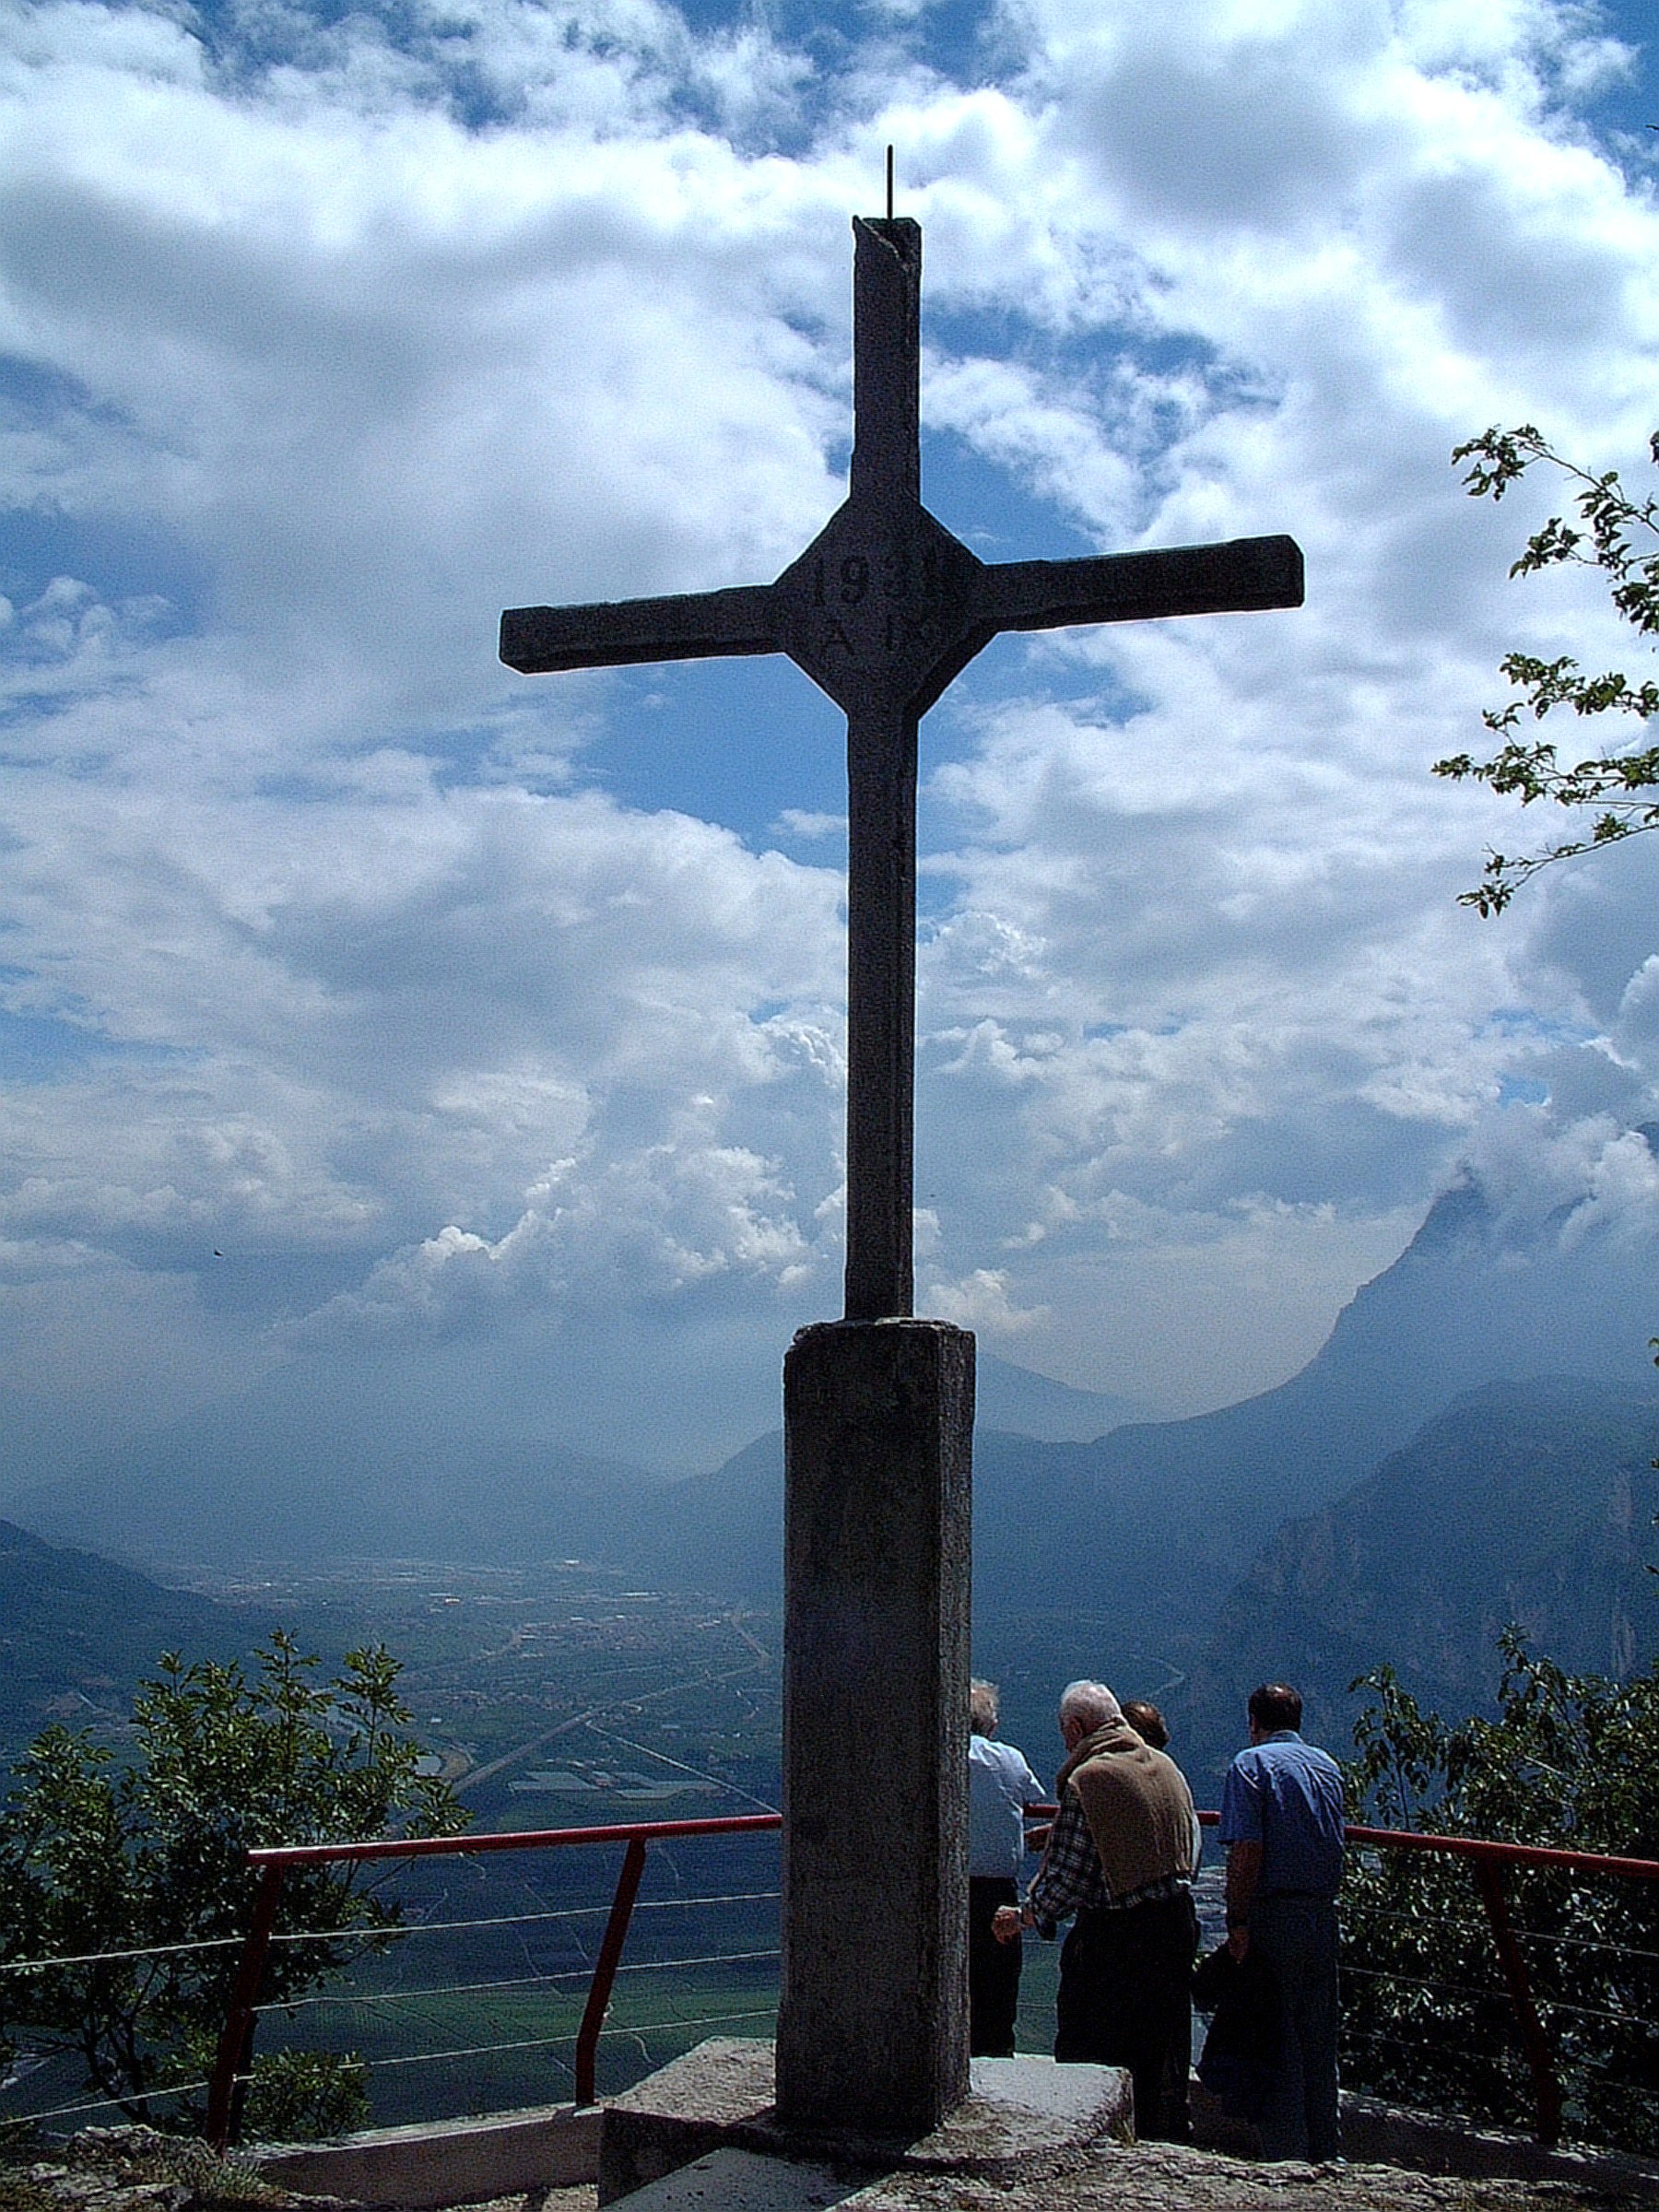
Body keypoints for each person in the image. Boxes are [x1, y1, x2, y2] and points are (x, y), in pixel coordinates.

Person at [993, 1679, 1199, 2139]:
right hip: (1176, 1924)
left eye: (1065, 1730)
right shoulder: (1162, 1766)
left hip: (1119, 1942)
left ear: (1078, 1728)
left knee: (1093, 2052)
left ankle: (1098, 2145)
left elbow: (1068, 1883)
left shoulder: (1091, 1779)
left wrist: (1022, 1916)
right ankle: (1160, 2135)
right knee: (1160, 2049)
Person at [1218, 1682, 1346, 2162]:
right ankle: (1327, 2151)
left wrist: (1238, 1918)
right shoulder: (1328, 1766)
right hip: (1322, 1912)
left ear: (1254, 1722)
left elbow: (1247, 1848)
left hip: (1275, 1914)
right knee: (1319, 2038)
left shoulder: (1250, 1765)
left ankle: (1285, 2157)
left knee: (1277, 2039)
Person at [967, 1677, 1043, 2056]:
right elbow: (1032, 1797)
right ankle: (996, 2062)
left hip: (946, 1891)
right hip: (999, 1894)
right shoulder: (1010, 1759)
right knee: (997, 1994)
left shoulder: (940, 1755)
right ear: (992, 1725)